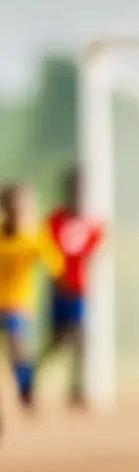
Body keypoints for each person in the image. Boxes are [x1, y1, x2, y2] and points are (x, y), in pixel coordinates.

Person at [39, 164, 104, 407]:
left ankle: (77, 389)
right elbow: (45, 250)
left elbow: (96, 251)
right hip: (59, 290)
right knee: (58, 341)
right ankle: (32, 374)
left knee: (81, 338)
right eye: (74, 187)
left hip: (79, 291)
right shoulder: (55, 220)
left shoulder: (92, 224)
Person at [0, 181, 64, 427]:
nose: (18, 212)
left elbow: (55, 265)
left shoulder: (34, 237)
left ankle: (26, 390)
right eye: (13, 207)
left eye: (23, 207)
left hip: (17, 307)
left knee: (17, 348)